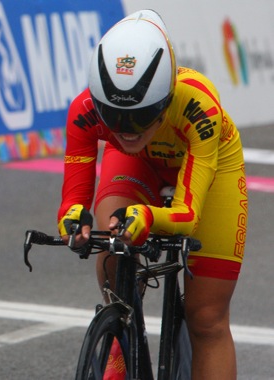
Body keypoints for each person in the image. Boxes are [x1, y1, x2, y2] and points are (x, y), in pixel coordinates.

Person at [57, 9, 247, 379]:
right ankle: (120, 331)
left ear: (167, 96)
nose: (128, 131)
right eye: (113, 116)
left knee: (207, 318)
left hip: (210, 169)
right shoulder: (83, 110)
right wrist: (72, 219)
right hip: (137, 166)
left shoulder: (199, 107)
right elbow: (73, 201)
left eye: (143, 116)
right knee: (112, 237)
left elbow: (187, 214)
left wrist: (146, 216)